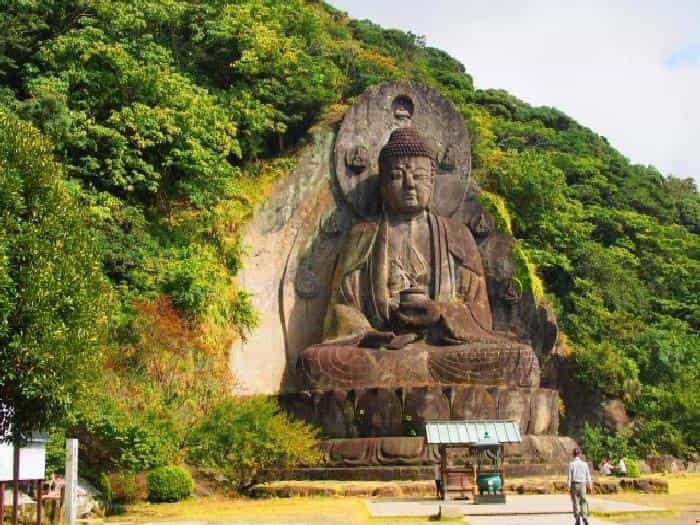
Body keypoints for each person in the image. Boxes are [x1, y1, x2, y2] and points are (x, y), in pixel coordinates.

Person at [568, 447, 592, 525]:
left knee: (575, 502)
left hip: (574, 484)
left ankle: (577, 518)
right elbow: (588, 475)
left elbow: (569, 477)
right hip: (583, 484)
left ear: (573, 455)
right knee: (583, 501)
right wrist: (590, 485)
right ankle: (584, 517)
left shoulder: (571, 464)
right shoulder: (584, 464)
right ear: (579, 454)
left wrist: (569, 487)